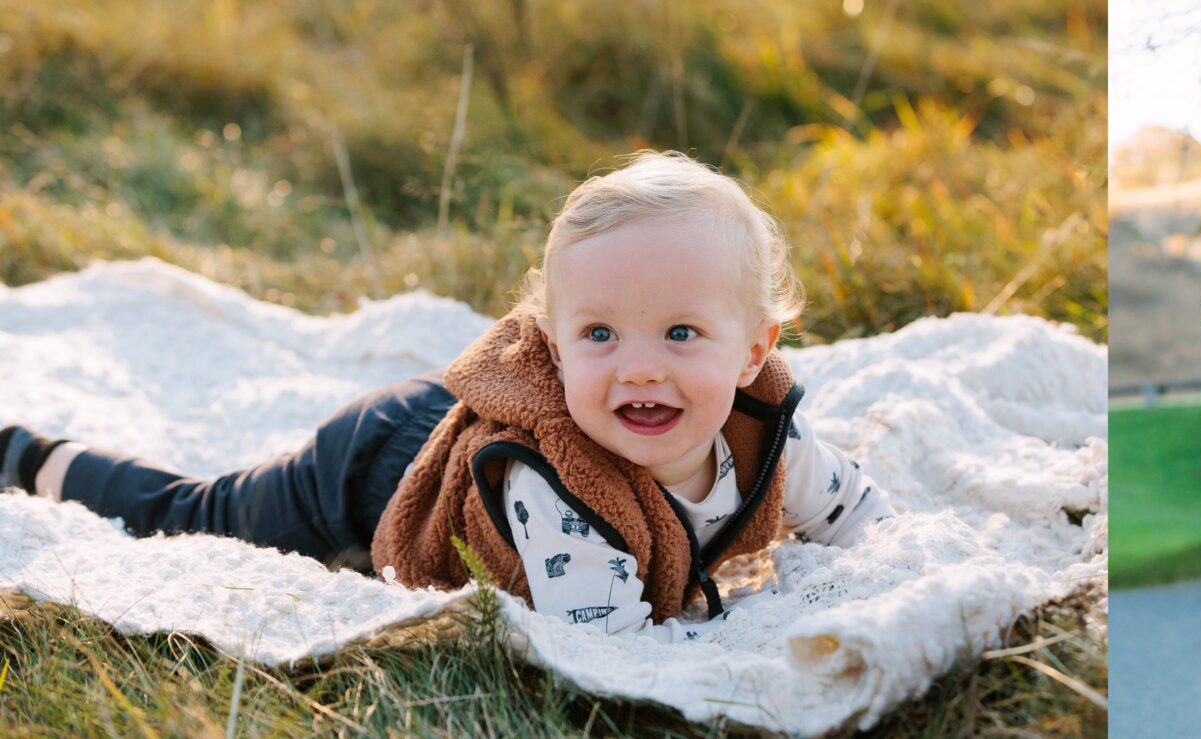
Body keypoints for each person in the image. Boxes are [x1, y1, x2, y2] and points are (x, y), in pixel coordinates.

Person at [0, 151, 895, 643]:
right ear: (550, 345)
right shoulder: (554, 483)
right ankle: (35, 459)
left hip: (445, 417)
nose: (640, 369)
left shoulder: (772, 438)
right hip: (374, 466)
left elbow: (869, 522)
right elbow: (618, 646)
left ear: (755, 351)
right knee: (197, 514)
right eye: (599, 334)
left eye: (682, 333)